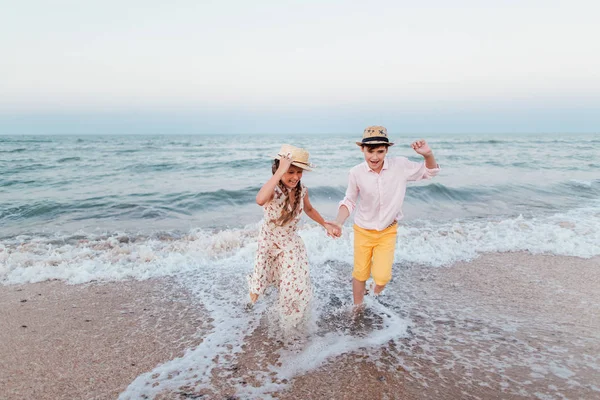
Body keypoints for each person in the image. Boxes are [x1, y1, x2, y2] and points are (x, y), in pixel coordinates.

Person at [332, 126, 440, 305]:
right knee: (360, 273)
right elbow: (349, 201)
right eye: (370, 151)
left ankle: (372, 293)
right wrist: (338, 222)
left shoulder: (400, 165)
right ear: (362, 149)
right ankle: (357, 308)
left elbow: (430, 172)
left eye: (380, 151)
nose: (374, 157)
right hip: (363, 230)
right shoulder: (356, 172)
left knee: (382, 278)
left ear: (387, 150)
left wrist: (427, 155)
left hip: (387, 232)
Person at [248, 144, 339, 331]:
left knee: (292, 284)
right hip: (268, 243)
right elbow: (259, 199)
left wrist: (325, 224)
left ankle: (289, 323)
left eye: (299, 172)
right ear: (278, 169)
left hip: (290, 243)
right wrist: (281, 170)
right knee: (260, 283)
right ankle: (249, 310)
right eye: (291, 172)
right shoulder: (273, 190)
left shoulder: (301, 190)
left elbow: (309, 209)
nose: (295, 177)